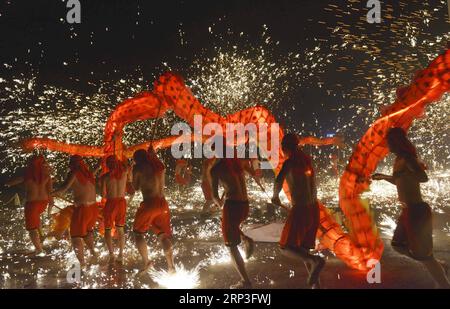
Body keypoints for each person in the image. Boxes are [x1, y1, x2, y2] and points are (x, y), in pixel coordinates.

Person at [372, 127, 450, 288]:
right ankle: (438, 265)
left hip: (417, 212)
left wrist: (409, 170)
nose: (388, 146)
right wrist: (384, 177)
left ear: (397, 143)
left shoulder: (408, 158)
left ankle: (442, 281)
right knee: (398, 245)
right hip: (407, 211)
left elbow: (423, 177)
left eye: (390, 142)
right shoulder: (398, 160)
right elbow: (399, 180)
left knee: (424, 256)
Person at [271, 133, 325, 288]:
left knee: (286, 247)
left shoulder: (289, 162)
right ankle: (317, 286)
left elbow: (278, 180)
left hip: (301, 209)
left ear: (284, 148)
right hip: (313, 209)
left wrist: (275, 197)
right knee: (303, 251)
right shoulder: (307, 160)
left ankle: (317, 261)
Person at [210, 141, 255, 289]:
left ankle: (245, 281)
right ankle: (246, 238)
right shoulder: (238, 163)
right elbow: (251, 172)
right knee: (233, 227)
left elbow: (215, 196)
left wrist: (219, 204)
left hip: (232, 206)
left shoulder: (216, 168)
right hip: (244, 205)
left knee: (231, 246)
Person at [132, 147, 175, 273]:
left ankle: (146, 262)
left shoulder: (138, 167)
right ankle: (171, 266)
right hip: (162, 203)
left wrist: (131, 173)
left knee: (138, 233)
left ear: (136, 159)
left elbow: (135, 187)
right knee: (163, 236)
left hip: (150, 203)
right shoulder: (159, 165)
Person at [52, 155, 99, 267]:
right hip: (94, 209)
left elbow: (63, 190)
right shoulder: (88, 174)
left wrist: (51, 194)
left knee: (75, 237)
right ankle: (93, 252)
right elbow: (94, 171)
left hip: (83, 209)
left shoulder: (74, 173)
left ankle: (82, 264)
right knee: (87, 232)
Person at [5, 155, 53, 255]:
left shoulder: (27, 175)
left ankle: (39, 249)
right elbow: (50, 192)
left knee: (31, 229)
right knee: (37, 218)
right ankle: (41, 235)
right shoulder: (46, 175)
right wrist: (50, 204)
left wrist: (8, 183)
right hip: (43, 203)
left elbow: (10, 183)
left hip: (32, 204)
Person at [100, 155, 129, 264]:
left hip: (110, 203)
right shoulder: (124, 173)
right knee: (120, 229)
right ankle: (121, 255)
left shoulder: (105, 177)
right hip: (121, 203)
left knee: (107, 230)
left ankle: (111, 254)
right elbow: (125, 163)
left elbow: (103, 194)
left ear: (107, 165)